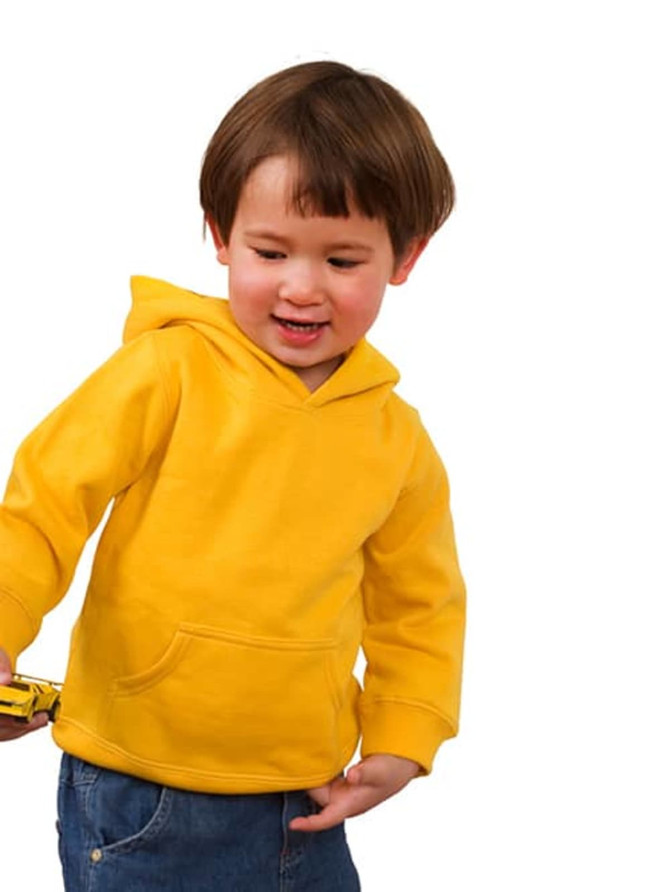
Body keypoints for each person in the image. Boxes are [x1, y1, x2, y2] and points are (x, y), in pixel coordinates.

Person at [0, 60, 466, 891]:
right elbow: (43, 505)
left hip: (303, 797)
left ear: (406, 256)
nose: (301, 286)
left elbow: (419, 606)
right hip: (141, 786)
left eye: (343, 260)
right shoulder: (166, 371)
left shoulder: (397, 440)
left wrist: (402, 736)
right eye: (270, 250)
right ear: (219, 235)